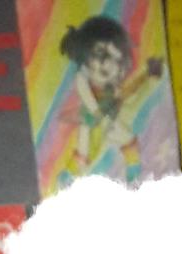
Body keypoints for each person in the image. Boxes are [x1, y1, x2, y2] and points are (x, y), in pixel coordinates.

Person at [58, 13, 164, 186]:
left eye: (117, 60)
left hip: (109, 118)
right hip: (91, 118)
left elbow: (125, 92)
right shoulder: (82, 77)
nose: (109, 64)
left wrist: (146, 75)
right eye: (101, 54)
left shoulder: (112, 87)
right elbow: (84, 91)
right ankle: (71, 172)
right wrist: (95, 111)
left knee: (124, 136)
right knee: (84, 143)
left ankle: (133, 166)